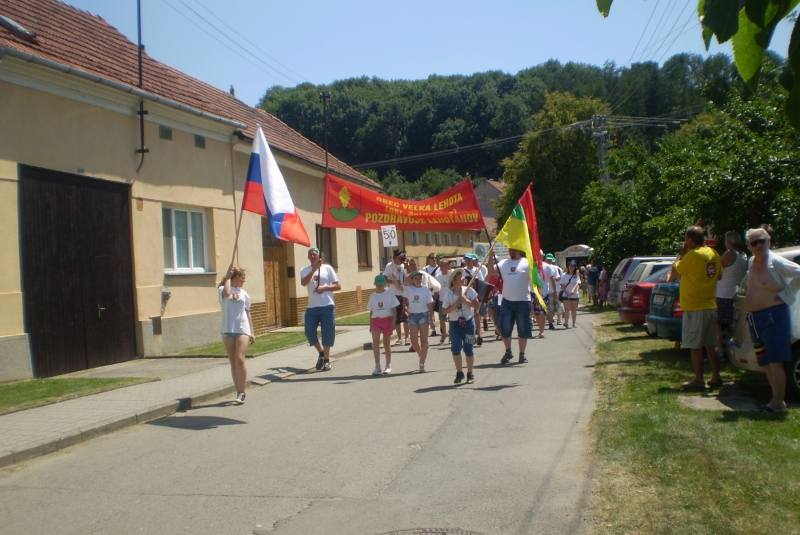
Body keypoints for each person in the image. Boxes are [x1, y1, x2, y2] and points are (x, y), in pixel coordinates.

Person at [744, 227, 800, 412]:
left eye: (762, 241)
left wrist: (786, 295)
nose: (759, 245)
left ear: (769, 242)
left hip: (774, 316)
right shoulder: (752, 261)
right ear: (749, 246)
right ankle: (776, 400)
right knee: (766, 360)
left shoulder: (776, 262)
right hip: (755, 318)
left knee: (776, 360)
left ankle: (778, 402)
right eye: (754, 242)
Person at [668, 225, 723, 389]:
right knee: (711, 344)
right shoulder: (713, 253)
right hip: (711, 305)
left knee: (694, 345)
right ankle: (716, 377)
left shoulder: (692, 255)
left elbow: (676, 269)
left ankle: (699, 380)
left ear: (691, 240)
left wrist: (681, 253)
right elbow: (719, 275)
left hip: (694, 306)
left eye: (686, 240)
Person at [489, 248, 533, 364]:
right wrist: (490, 256)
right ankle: (508, 351)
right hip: (507, 301)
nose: (512, 252)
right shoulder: (503, 263)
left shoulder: (527, 262)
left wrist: (537, 295)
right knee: (505, 328)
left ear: (520, 250)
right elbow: (490, 272)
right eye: (510, 250)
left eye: (514, 250)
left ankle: (522, 354)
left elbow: (536, 279)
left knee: (523, 328)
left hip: (523, 301)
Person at [218, 265, 254, 405]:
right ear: (237, 278)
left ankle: (242, 391)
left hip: (242, 329)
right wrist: (227, 277)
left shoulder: (244, 294)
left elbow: (248, 313)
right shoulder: (222, 290)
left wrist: (252, 331)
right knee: (233, 362)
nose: (244, 281)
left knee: (240, 358)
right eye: (243, 278)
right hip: (227, 329)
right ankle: (238, 391)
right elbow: (227, 293)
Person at [301, 247, 341, 372]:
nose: (313, 256)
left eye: (315, 254)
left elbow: (338, 286)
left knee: (327, 332)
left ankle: (327, 360)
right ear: (308, 257)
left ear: (319, 256)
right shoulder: (304, 270)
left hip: (327, 305)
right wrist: (313, 269)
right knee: (309, 331)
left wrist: (324, 288)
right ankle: (321, 352)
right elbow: (303, 283)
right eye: (311, 254)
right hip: (312, 307)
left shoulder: (328, 268)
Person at [441, 268, 480, 384]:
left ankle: (470, 372)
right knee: (455, 348)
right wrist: (455, 305)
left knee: (469, 349)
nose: (463, 279)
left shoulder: (469, 291)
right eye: (460, 278)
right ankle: (459, 372)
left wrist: (466, 300)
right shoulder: (448, 294)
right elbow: (444, 311)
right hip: (454, 325)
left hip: (468, 324)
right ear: (454, 282)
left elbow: (477, 305)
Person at [716, 231, 748, 357]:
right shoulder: (743, 254)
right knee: (732, 323)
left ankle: (719, 352)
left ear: (729, 241)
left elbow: (717, 268)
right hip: (735, 292)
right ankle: (737, 347)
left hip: (723, 293)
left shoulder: (729, 254)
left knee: (717, 323)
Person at [402, 270, 434, 372]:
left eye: (419, 278)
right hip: (413, 316)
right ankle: (421, 354)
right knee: (414, 341)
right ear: (412, 280)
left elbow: (430, 305)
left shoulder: (426, 290)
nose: (418, 280)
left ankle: (422, 363)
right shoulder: (409, 289)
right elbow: (400, 290)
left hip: (423, 315)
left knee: (424, 340)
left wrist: (432, 318)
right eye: (416, 278)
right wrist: (394, 278)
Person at [367, 274, 399, 375]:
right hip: (376, 320)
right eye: (377, 285)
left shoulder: (389, 294)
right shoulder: (373, 295)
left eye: (381, 285)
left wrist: (394, 322)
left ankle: (388, 365)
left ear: (384, 284)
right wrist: (370, 324)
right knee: (375, 342)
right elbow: (371, 311)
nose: (379, 287)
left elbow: (394, 309)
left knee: (386, 343)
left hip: (387, 320)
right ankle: (377, 365)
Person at [384, 249, 409, 346]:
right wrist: (393, 282)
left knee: (406, 317)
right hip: (394, 294)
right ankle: (399, 338)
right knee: (397, 318)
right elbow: (385, 278)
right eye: (400, 257)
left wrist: (407, 266)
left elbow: (411, 274)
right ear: (395, 258)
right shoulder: (390, 266)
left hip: (405, 293)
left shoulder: (404, 265)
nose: (402, 258)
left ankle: (407, 337)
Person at [464, 253, 488, 346]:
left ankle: (479, 336)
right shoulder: (462, 271)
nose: (468, 262)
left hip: (475, 296)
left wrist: (480, 296)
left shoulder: (477, 270)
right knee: (468, 317)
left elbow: (482, 283)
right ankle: (471, 337)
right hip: (466, 296)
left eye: (469, 260)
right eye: (466, 260)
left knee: (477, 316)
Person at [559, 261, 581, 329]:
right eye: (570, 266)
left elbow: (577, 283)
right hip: (566, 294)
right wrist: (565, 292)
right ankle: (566, 323)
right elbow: (562, 284)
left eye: (573, 266)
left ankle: (574, 323)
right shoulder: (564, 275)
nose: (572, 267)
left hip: (574, 294)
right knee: (567, 309)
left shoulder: (576, 276)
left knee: (574, 309)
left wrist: (573, 290)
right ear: (568, 267)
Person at [434, 259, 451, 344]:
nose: (441, 267)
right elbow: (437, 289)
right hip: (442, 300)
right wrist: (434, 299)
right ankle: (444, 333)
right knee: (442, 319)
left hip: (451, 300)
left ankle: (451, 335)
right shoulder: (438, 276)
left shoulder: (451, 274)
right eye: (440, 265)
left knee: (451, 319)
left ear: (447, 266)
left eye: (443, 265)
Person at [423, 253, 440, 336]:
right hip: (429, 293)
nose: (434, 259)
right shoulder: (425, 269)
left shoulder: (440, 268)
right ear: (429, 259)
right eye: (432, 258)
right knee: (431, 312)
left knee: (441, 311)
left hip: (438, 293)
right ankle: (433, 330)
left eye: (435, 258)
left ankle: (442, 327)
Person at [543, 254, 561, 330]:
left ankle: (550, 321)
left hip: (554, 290)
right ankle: (549, 322)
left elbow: (558, 277)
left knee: (553, 308)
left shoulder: (554, 268)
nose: (549, 261)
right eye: (548, 259)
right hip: (546, 290)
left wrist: (553, 278)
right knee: (548, 308)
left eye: (550, 260)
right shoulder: (542, 267)